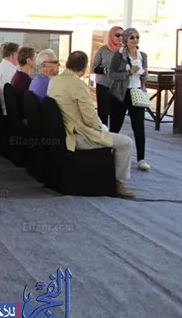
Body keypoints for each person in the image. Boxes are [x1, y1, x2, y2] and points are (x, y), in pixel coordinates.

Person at [47, 51, 135, 198]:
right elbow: (89, 118)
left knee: (108, 134)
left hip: (63, 133)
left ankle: (107, 177)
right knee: (125, 143)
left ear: (67, 63)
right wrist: (101, 128)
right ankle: (116, 183)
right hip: (78, 136)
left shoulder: (54, 81)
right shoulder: (78, 85)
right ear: (84, 69)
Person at [108, 28, 150, 171]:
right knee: (115, 125)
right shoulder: (118, 56)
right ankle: (109, 151)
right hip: (121, 94)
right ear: (126, 39)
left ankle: (141, 158)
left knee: (139, 126)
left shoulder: (143, 55)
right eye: (132, 37)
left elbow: (144, 75)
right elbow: (112, 75)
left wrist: (144, 75)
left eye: (137, 37)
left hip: (137, 92)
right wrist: (128, 73)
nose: (135, 40)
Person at [92, 26, 124, 127]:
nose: (120, 38)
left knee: (117, 114)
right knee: (103, 113)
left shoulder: (125, 51)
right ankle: (104, 133)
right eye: (117, 35)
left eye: (122, 35)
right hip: (104, 85)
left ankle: (114, 134)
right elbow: (94, 68)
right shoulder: (103, 50)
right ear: (111, 36)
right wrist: (105, 70)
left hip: (119, 86)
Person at [0, 42, 19, 115]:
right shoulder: (9, 71)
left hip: (2, 110)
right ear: (14, 55)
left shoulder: (0, 67)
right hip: (8, 112)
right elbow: (18, 94)